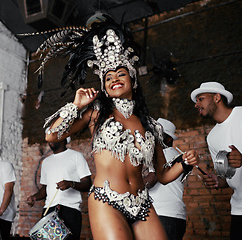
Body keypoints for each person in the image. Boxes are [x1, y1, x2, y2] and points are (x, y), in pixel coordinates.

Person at [30, 14, 198, 239]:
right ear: (104, 85)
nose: (114, 79)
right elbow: (52, 135)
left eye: (120, 74)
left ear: (132, 79)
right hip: (106, 200)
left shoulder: (150, 125)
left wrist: (185, 163)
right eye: (108, 77)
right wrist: (76, 105)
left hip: (142, 202)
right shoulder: (96, 113)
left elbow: (164, 174)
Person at [190, 81, 242, 240]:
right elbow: (226, 178)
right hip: (239, 209)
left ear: (217, 97)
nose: (196, 104)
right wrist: (217, 181)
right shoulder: (212, 137)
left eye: (201, 99)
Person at [27, 136, 92, 240]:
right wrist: (35, 197)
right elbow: (45, 188)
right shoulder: (46, 162)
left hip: (70, 210)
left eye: (54, 137)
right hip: (49, 209)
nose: (50, 141)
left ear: (64, 138)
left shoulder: (76, 156)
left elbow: (88, 183)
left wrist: (71, 184)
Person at [143, 118, 189, 240]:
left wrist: (133, 184)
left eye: (157, 134)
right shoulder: (178, 156)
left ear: (168, 139)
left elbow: (152, 179)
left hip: (161, 215)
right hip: (175, 216)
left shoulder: (162, 155)